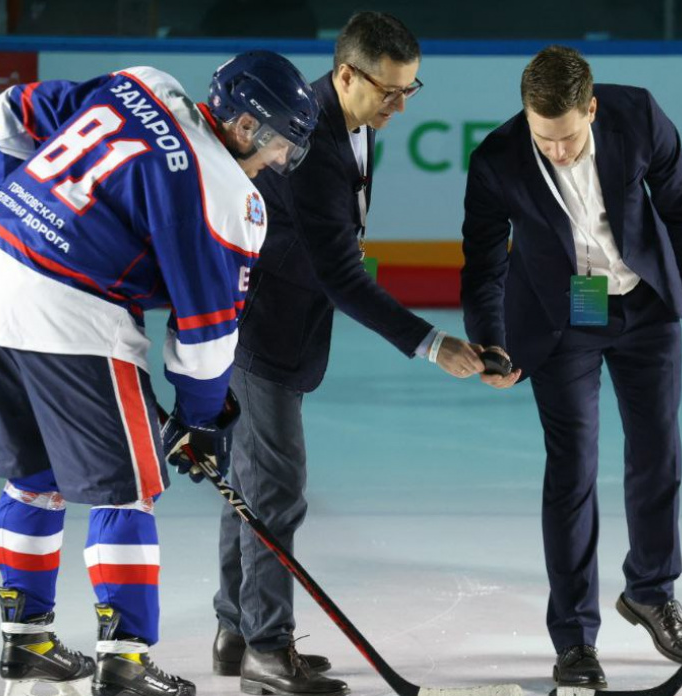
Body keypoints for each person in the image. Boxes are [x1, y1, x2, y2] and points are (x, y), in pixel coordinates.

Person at [0, 50, 319, 696]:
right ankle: (125, 662)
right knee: (127, 493)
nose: (283, 161)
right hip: (70, 311)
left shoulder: (141, 85)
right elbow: (203, 337)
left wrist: (14, 197)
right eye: (282, 140)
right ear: (247, 126)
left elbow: (5, 114)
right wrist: (200, 423)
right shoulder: (228, 197)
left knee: (35, 479)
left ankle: (27, 642)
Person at [211, 12, 486, 696]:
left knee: (247, 482)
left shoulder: (352, 123)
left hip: (269, 325)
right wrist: (431, 343)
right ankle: (268, 650)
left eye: (409, 91)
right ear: (343, 75)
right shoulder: (307, 143)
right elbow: (339, 273)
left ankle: (237, 631)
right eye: (388, 91)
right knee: (273, 489)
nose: (399, 105)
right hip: (257, 331)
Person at [460, 45, 682, 688]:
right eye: (542, 137)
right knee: (572, 468)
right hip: (562, 320)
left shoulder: (639, 118)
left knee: (658, 451)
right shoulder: (497, 160)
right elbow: (484, 263)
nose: (556, 150)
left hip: (648, 304)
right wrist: (491, 342)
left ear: (593, 110)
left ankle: (652, 593)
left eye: (569, 137)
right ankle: (575, 638)